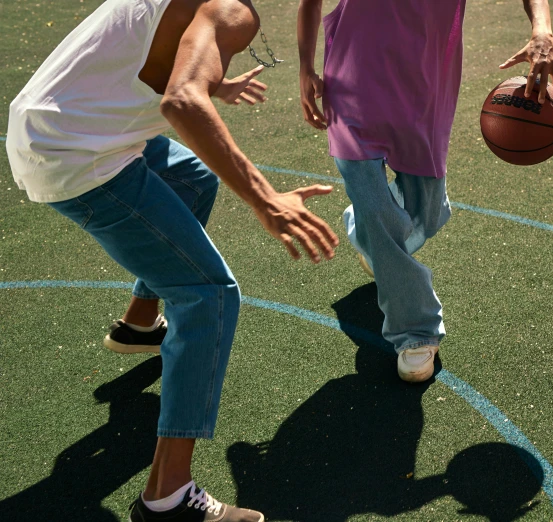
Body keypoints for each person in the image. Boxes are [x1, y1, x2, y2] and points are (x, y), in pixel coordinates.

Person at [6, 0, 340, 520]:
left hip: (50, 123)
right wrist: (266, 199)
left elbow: (154, 64)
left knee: (192, 178)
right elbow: (181, 101)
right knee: (208, 294)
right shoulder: (232, 10)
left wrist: (215, 85)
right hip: (76, 152)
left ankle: (139, 325)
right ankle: (167, 499)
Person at [297, 0, 553, 382]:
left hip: (425, 83)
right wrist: (305, 67)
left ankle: (368, 233)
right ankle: (416, 332)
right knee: (379, 213)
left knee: (426, 214)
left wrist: (542, 29)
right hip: (352, 78)